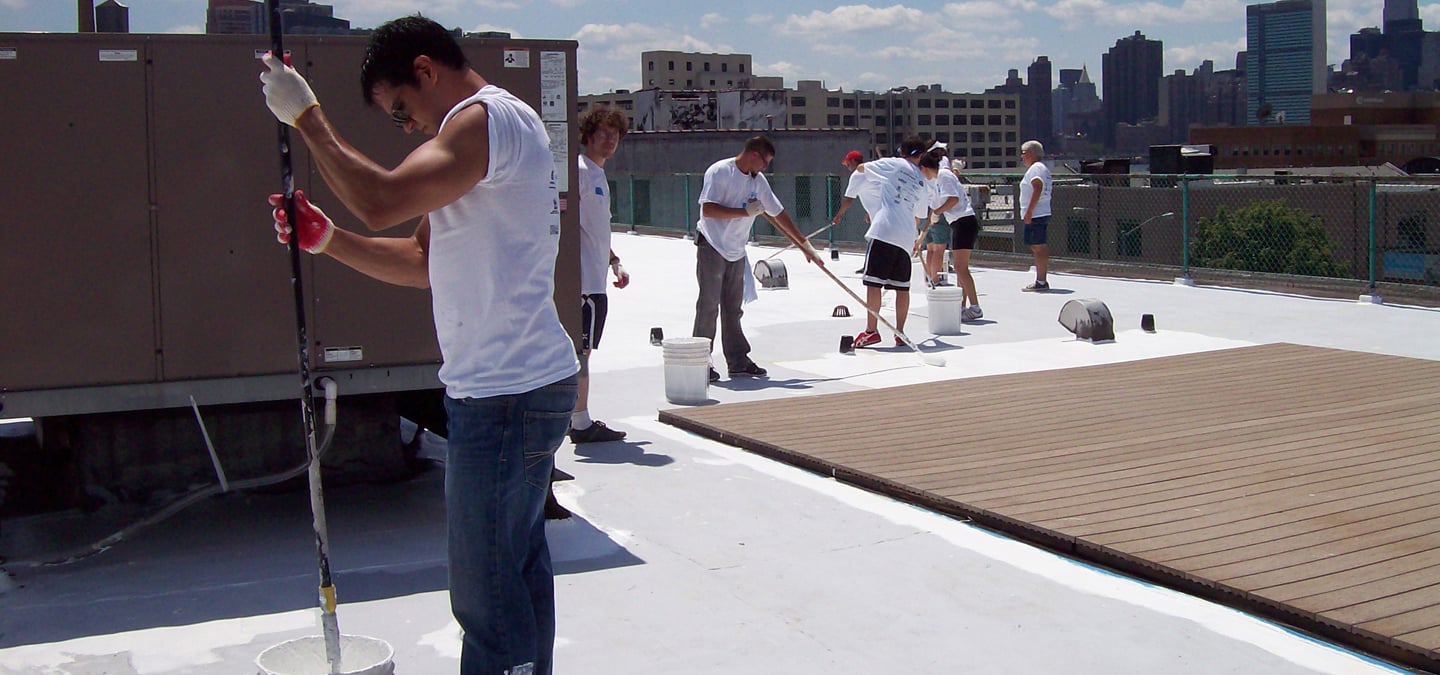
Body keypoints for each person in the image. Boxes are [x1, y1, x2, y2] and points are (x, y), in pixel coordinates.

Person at [260, 16, 577, 674]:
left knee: (489, 596)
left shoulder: (480, 122)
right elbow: (421, 259)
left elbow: (380, 199)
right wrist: (327, 241)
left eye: (401, 109)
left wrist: (308, 118)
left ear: (427, 70)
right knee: (515, 575)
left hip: (505, 395)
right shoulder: (490, 137)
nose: (406, 128)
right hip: (512, 388)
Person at [693, 135, 821, 381]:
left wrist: (804, 244)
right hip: (712, 244)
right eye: (765, 162)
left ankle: (738, 360)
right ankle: (700, 362)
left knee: (733, 308)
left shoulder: (758, 181)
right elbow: (708, 209)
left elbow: (778, 212)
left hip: (736, 249)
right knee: (708, 306)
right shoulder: (720, 171)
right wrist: (744, 212)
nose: (765, 168)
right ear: (754, 155)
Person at [570, 104, 630, 444]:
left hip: (596, 277)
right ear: (588, 136)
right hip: (583, 283)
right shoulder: (579, 171)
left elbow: (595, 230)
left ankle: (574, 417)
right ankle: (579, 422)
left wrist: (614, 261)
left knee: (582, 351)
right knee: (580, 353)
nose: (610, 140)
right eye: (603, 134)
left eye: (615, 135)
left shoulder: (597, 174)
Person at [852, 137, 932, 348]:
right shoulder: (923, 182)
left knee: (873, 283)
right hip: (906, 237)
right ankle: (900, 332)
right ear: (920, 156)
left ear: (902, 152)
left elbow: (861, 168)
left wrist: (881, 180)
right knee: (901, 288)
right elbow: (919, 215)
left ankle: (871, 331)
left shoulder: (895, 164)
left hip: (884, 231)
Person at [919, 154, 982, 320]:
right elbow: (935, 207)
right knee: (960, 266)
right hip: (957, 223)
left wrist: (939, 212)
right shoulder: (937, 182)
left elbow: (953, 199)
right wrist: (921, 235)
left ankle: (975, 307)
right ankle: (962, 305)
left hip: (964, 221)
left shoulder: (944, 176)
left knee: (961, 267)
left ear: (924, 168)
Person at [1020, 139, 1053, 292]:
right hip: (1040, 212)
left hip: (1037, 214)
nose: (1022, 157)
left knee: (1038, 246)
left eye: (1024, 153)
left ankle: (1041, 281)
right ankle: (1040, 278)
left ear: (1032, 154)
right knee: (1036, 245)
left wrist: (1029, 211)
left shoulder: (1036, 169)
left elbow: (1037, 187)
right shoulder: (1041, 168)